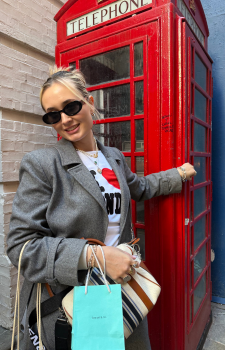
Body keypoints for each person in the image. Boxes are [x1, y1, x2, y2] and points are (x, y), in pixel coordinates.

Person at [7, 67, 197, 350]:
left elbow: (140, 187)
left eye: (71, 106)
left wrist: (178, 175)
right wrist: (97, 256)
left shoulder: (113, 157)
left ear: (89, 102)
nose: (65, 119)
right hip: (72, 299)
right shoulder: (43, 164)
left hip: (122, 287)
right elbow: (21, 248)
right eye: (53, 115)